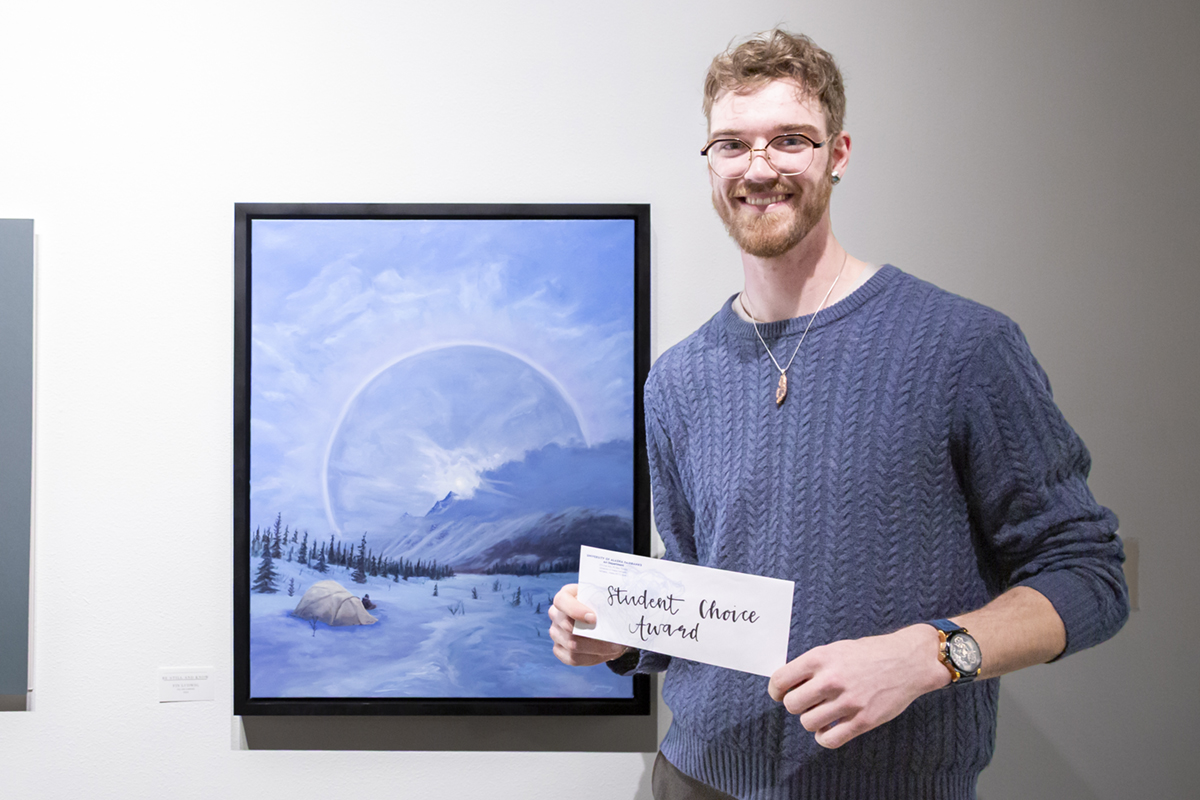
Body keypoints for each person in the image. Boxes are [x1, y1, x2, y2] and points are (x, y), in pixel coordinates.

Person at [547, 28, 1129, 800]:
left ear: (837, 154)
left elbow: (1090, 576)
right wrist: (626, 640)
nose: (758, 168)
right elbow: (695, 578)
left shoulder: (964, 346)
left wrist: (933, 653)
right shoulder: (679, 379)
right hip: (691, 779)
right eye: (731, 145)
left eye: (789, 140)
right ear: (711, 162)